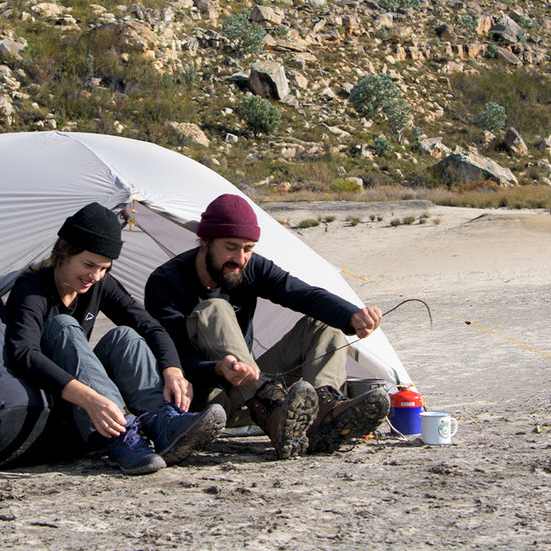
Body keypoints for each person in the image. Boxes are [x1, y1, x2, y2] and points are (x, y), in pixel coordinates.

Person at [144, 193, 390, 460]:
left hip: (256, 386)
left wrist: (351, 316)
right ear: (205, 240)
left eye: (248, 248)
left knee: (324, 322)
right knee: (214, 308)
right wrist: (216, 369)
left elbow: (302, 294)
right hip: (207, 397)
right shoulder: (165, 283)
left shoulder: (249, 268)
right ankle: (274, 411)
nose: (240, 258)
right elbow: (170, 359)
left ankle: (324, 411)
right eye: (231, 247)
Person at [5, 202, 227, 475]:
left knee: (125, 336)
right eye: (88, 265)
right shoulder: (32, 289)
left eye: (104, 268)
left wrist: (173, 371)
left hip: (90, 397)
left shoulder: (98, 284)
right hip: (55, 399)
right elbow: (23, 353)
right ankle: (120, 433)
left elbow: (151, 327)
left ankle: (163, 421)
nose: (94, 276)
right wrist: (89, 398)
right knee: (63, 325)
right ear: (64, 249)